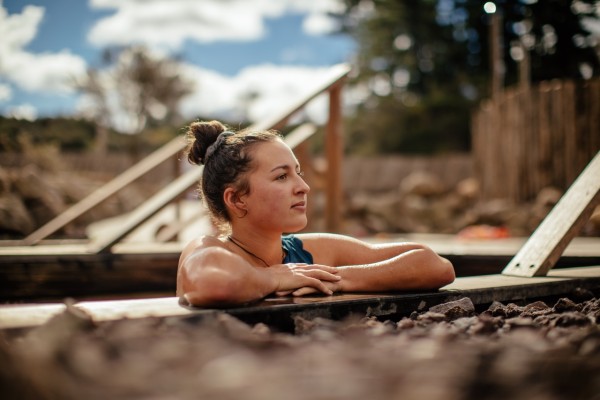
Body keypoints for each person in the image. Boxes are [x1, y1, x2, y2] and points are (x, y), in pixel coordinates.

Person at [177, 120, 455, 307]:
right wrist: (275, 277)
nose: (304, 187)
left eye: (298, 173)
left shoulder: (314, 252)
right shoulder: (206, 249)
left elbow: (435, 265)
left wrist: (340, 279)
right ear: (237, 199)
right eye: (281, 177)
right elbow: (215, 283)